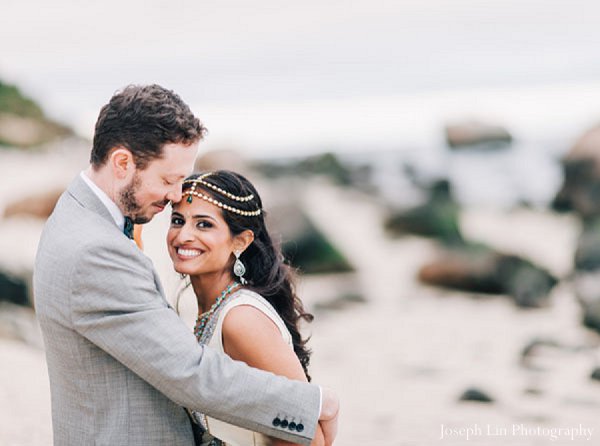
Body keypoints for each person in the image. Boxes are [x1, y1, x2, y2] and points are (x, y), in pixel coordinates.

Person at [34, 84, 339, 446]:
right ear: (121, 163)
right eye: (168, 180)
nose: (176, 196)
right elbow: (189, 373)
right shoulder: (96, 250)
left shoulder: (76, 216)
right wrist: (313, 402)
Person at [167, 170, 326, 446]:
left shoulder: (241, 319)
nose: (184, 236)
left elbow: (309, 438)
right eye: (178, 221)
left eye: (204, 225)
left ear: (240, 241)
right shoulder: (197, 308)